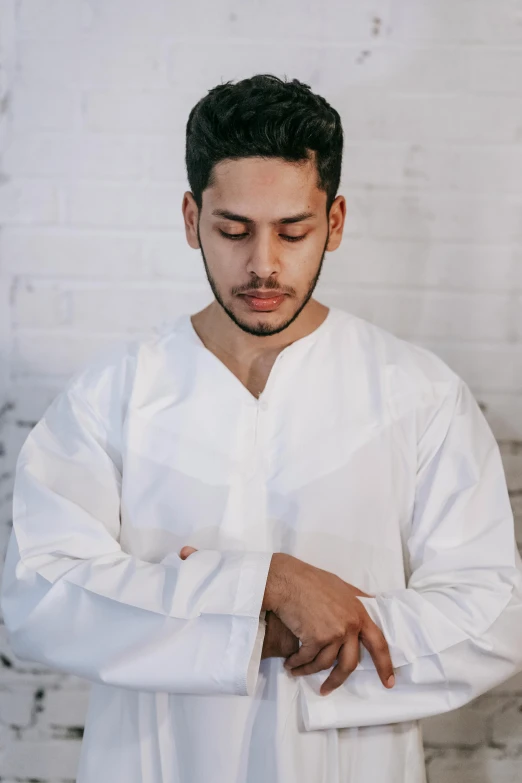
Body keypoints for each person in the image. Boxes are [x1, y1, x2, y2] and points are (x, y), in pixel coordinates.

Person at [2, 74, 522, 783]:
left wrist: (262, 631)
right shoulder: (114, 392)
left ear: (335, 223)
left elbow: (492, 615)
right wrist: (266, 587)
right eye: (233, 229)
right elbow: (39, 592)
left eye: (294, 230)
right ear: (192, 220)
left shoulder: (420, 394)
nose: (264, 264)